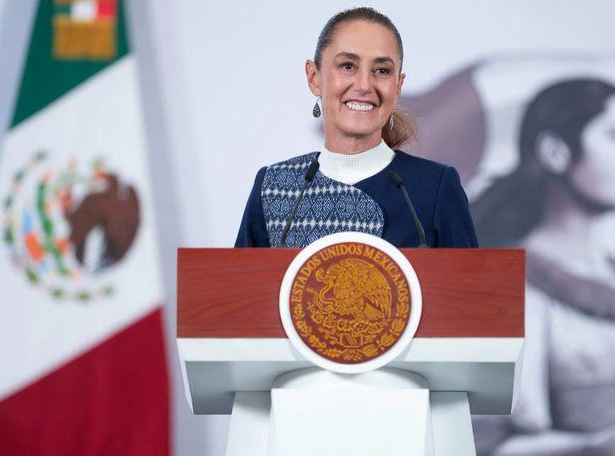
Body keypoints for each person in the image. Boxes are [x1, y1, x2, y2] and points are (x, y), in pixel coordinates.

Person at [235, 7, 478, 249]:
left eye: (381, 71)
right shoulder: (274, 186)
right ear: (314, 77)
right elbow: (241, 276)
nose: (364, 85)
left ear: (397, 86)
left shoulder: (435, 186)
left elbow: (468, 275)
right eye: (348, 66)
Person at [471, 79, 615, 455]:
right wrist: (594, 445)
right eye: (613, 136)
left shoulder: (606, 267)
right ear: (555, 151)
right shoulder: (506, 287)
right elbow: (488, 443)